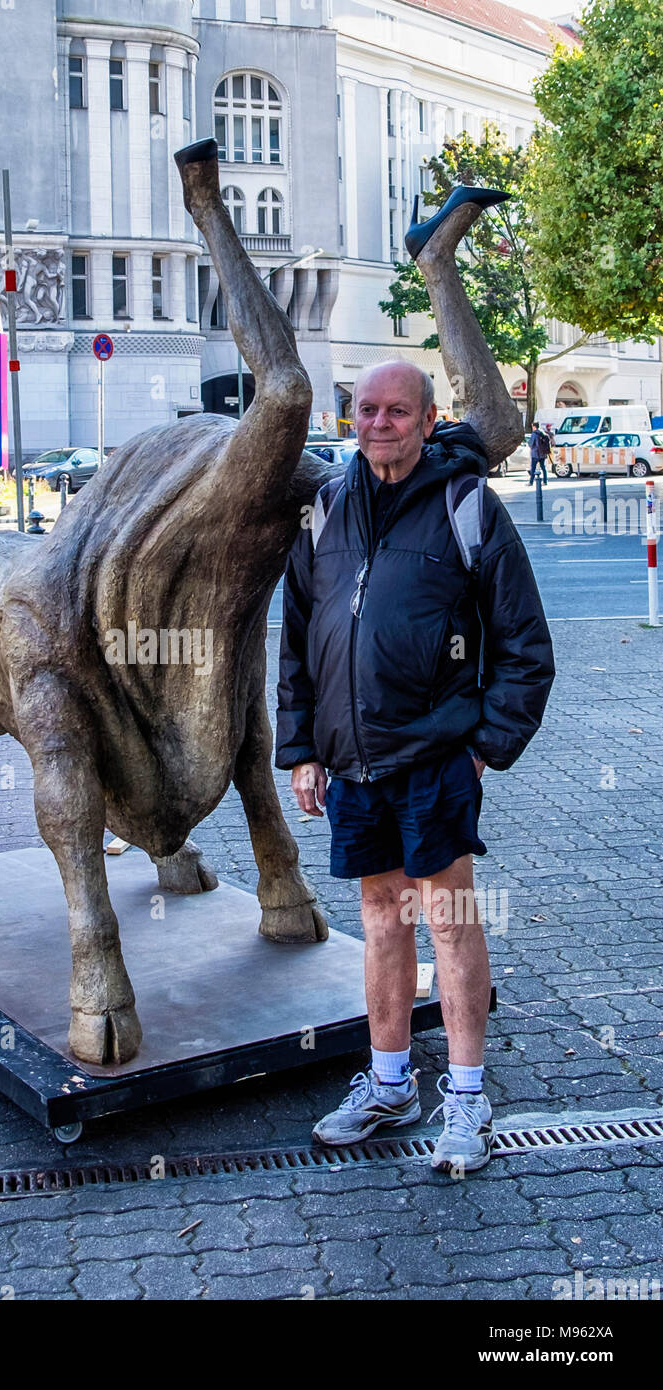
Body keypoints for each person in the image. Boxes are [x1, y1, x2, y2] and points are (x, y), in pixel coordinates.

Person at [276, 356, 555, 1175]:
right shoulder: (326, 508)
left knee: (449, 920)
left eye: (397, 411)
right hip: (350, 761)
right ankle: (390, 1083)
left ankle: (466, 1098)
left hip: (436, 756)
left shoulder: (467, 507)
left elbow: (525, 650)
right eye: (365, 409)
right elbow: (296, 643)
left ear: (428, 420)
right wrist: (299, 748)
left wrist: (482, 750)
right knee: (379, 919)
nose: (378, 423)